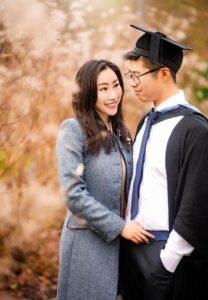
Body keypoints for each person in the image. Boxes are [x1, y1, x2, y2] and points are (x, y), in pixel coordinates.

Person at [121, 24, 208, 300]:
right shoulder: (144, 123)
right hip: (133, 253)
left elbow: (196, 206)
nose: (132, 83)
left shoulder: (196, 130)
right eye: (130, 75)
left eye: (137, 75)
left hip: (168, 258)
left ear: (164, 74)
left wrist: (166, 265)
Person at [55, 59, 153, 300]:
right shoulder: (73, 130)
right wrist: (120, 227)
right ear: (88, 92)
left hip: (121, 247)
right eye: (103, 88)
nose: (113, 95)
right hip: (87, 244)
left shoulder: (122, 131)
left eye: (116, 85)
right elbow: (73, 194)